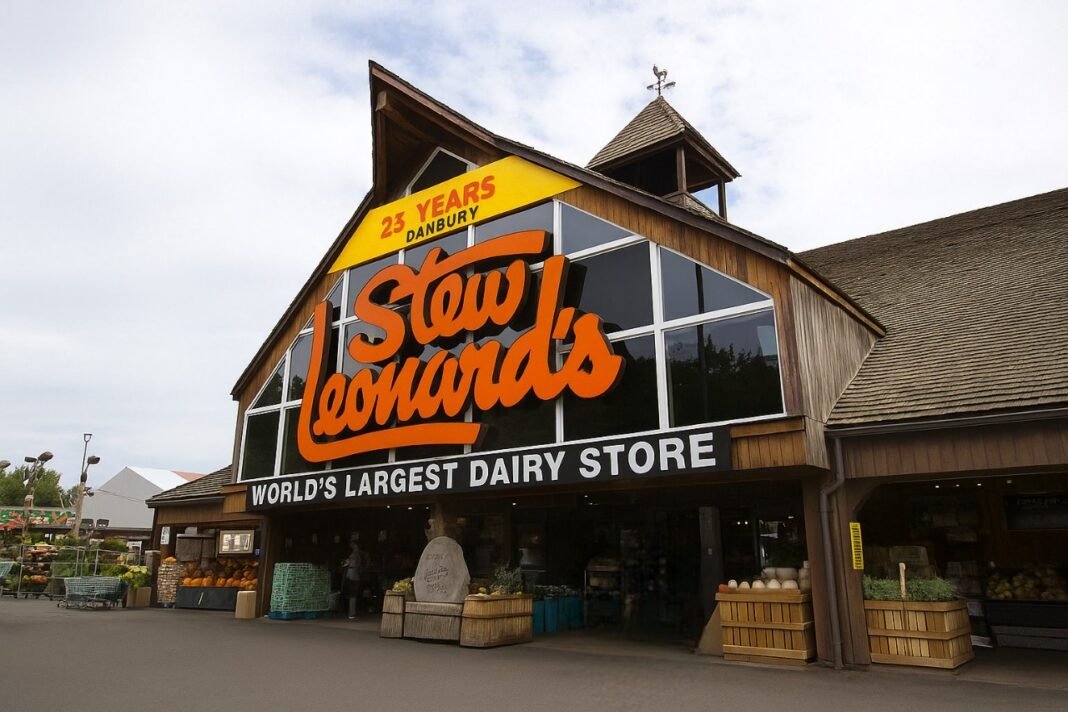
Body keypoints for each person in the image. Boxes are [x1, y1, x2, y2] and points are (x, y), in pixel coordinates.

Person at [342, 533, 362, 620]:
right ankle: (351, 613)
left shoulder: (355, 554)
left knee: (353, 594)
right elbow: (346, 563)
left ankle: (352, 612)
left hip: (353, 573)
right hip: (353, 574)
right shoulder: (354, 554)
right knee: (353, 594)